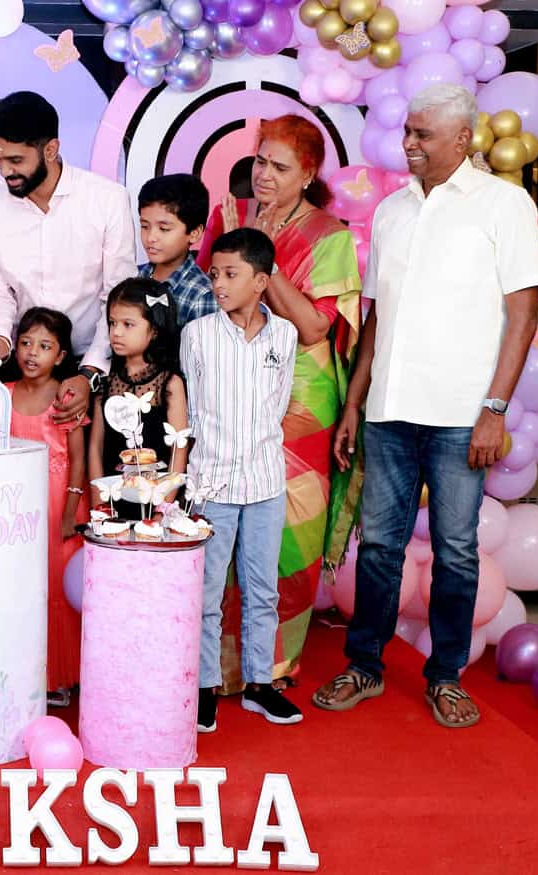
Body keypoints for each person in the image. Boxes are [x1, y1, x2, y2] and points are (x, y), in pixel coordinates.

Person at [313, 85, 538, 728]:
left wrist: (494, 409)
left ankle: (444, 676)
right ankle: (364, 666)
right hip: (388, 410)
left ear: (463, 139)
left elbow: (524, 316)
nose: (408, 143)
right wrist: (356, 402)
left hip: (461, 414)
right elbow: (378, 319)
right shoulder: (391, 211)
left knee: (455, 549)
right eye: (407, 132)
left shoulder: (504, 205)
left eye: (422, 134)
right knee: (381, 546)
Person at [198, 114, 363, 694]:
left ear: (309, 173)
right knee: (220, 520)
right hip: (230, 380)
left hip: (301, 394)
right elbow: (205, 298)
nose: (263, 175)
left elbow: (319, 327)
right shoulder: (228, 217)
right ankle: (216, 667)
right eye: (259, 162)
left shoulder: (329, 235)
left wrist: (264, 267)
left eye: (279, 166)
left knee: (288, 526)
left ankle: (272, 664)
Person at [184, 228, 300, 731]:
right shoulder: (199, 335)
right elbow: (193, 407)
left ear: (261, 281)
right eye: (215, 274)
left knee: (261, 589)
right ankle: (205, 689)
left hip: (265, 483)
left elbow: (276, 406)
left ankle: (259, 685)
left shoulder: (286, 336)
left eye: (231, 275)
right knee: (207, 592)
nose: (219, 284)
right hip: (211, 484)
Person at [0, 91, 137, 425]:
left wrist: (89, 372)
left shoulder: (107, 200)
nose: (5, 171)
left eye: (16, 161)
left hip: (93, 363)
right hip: (22, 368)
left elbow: (118, 296)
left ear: (50, 149)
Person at [4, 307, 87, 705]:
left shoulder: (65, 396)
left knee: (58, 588)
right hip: (16, 503)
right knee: (22, 586)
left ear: (62, 355)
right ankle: (27, 671)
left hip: (58, 502)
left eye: (44, 346)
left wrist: (71, 510)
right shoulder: (3, 394)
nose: (32, 353)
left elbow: (78, 456)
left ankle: (61, 677)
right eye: (25, 343)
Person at [87, 278, 189, 504]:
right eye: (112, 323)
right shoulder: (106, 381)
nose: (117, 332)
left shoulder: (169, 383)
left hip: (158, 500)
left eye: (128, 324)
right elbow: (95, 447)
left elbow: (178, 448)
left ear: (154, 330)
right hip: (113, 498)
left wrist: (165, 503)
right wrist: (99, 501)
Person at [136, 174, 215, 329]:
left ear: (194, 233)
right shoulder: (133, 275)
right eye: (145, 226)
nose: (151, 237)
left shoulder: (202, 295)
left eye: (164, 229)